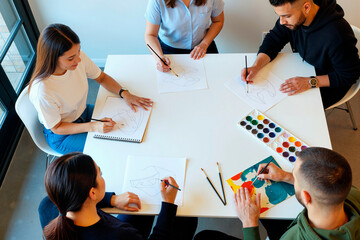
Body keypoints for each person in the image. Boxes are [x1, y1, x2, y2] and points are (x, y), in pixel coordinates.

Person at [28, 24, 153, 154]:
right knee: (111, 146)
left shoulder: (77, 58)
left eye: (78, 52)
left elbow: (102, 78)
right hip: (63, 135)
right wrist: (93, 126)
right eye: (71, 58)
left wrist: (125, 94)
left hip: (83, 113)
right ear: (52, 58)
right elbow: (57, 128)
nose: (78, 59)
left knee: (130, 121)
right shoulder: (43, 91)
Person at [194, 147, 360, 239]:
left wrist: (249, 222)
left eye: (295, 175)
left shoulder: (293, 238)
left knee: (204, 237)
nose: (291, 175)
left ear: (306, 196)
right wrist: (287, 177)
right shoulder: (351, 192)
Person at [38, 152, 197, 240]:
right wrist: (168, 203)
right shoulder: (121, 236)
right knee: (187, 218)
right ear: (92, 193)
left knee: (140, 205)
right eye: (100, 174)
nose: (102, 177)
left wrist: (112, 199)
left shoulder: (48, 206)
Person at [241, 0, 360, 109]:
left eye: (286, 16)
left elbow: (349, 76)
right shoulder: (293, 18)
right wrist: (256, 66)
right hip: (306, 68)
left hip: (330, 81)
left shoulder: (337, 35)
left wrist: (309, 82)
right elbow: (274, 39)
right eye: (279, 15)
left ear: (306, 7)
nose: (282, 22)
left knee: (290, 110)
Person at [145, 0, 224, 72]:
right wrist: (159, 57)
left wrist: (204, 44)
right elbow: (150, 35)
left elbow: (218, 21)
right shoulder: (156, 1)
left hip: (203, 46)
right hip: (169, 50)